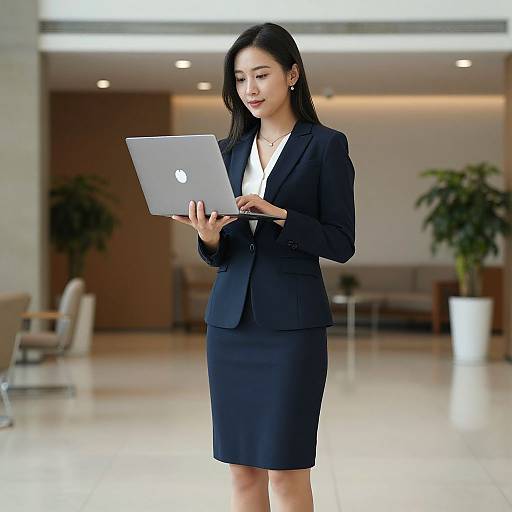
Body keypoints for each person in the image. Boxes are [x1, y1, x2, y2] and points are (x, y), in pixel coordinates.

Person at [171, 22, 355, 512]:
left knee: (286, 473)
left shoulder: (325, 146)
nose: (249, 89)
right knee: (243, 474)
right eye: (239, 79)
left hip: (292, 329)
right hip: (230, 326)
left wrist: (278, 214)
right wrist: (208, 237)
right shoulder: (226, 152)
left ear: (292, 74)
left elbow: (341, 242)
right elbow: (224, 252)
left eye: (261, 75)